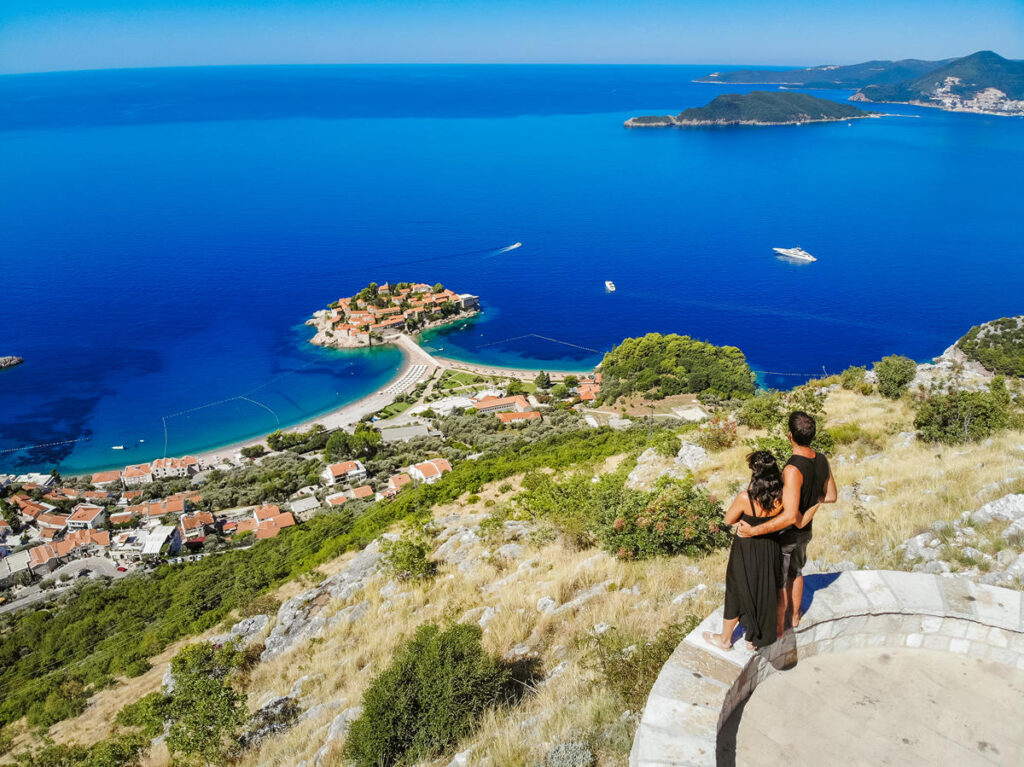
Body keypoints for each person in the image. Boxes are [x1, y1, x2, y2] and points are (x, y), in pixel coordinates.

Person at [738, 410, 837, 631]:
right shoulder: (822, 460)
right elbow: (831, 496)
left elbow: (791, 515)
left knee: (781, 580)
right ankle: (795, 616)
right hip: (806, 531)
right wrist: (813, 503)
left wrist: (754, 531)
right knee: (797, 571)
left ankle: (781, 623)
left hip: (789, 534)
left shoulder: (792, 469)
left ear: (790, 435)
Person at [702, 451, 785, 650]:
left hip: (746, 548)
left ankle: (724, 639)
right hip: (770, 546)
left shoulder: (745, 498)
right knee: (763, 589)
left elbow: (728, 519)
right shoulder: (782, 497)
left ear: (755, 474)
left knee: (737, 589)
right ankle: (752, 638)